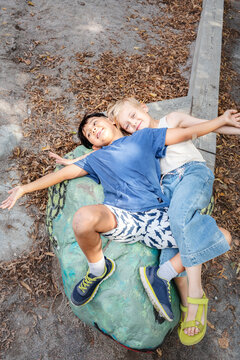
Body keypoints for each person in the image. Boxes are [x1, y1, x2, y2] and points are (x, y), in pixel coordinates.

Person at [1, 111, 237, 346]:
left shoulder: (143, 138)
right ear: (92, 146)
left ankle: (162, 274)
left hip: (157, 215)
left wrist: (220, 121)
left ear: (112, 121)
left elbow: (187, 132)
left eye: (95, 123)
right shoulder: (95, 159)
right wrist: (24, 188)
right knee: (83, 218)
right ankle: (97, 270)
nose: (93, 130)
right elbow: (62, 175)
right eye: (88, 133)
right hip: (122, 216)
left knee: (223, 238)